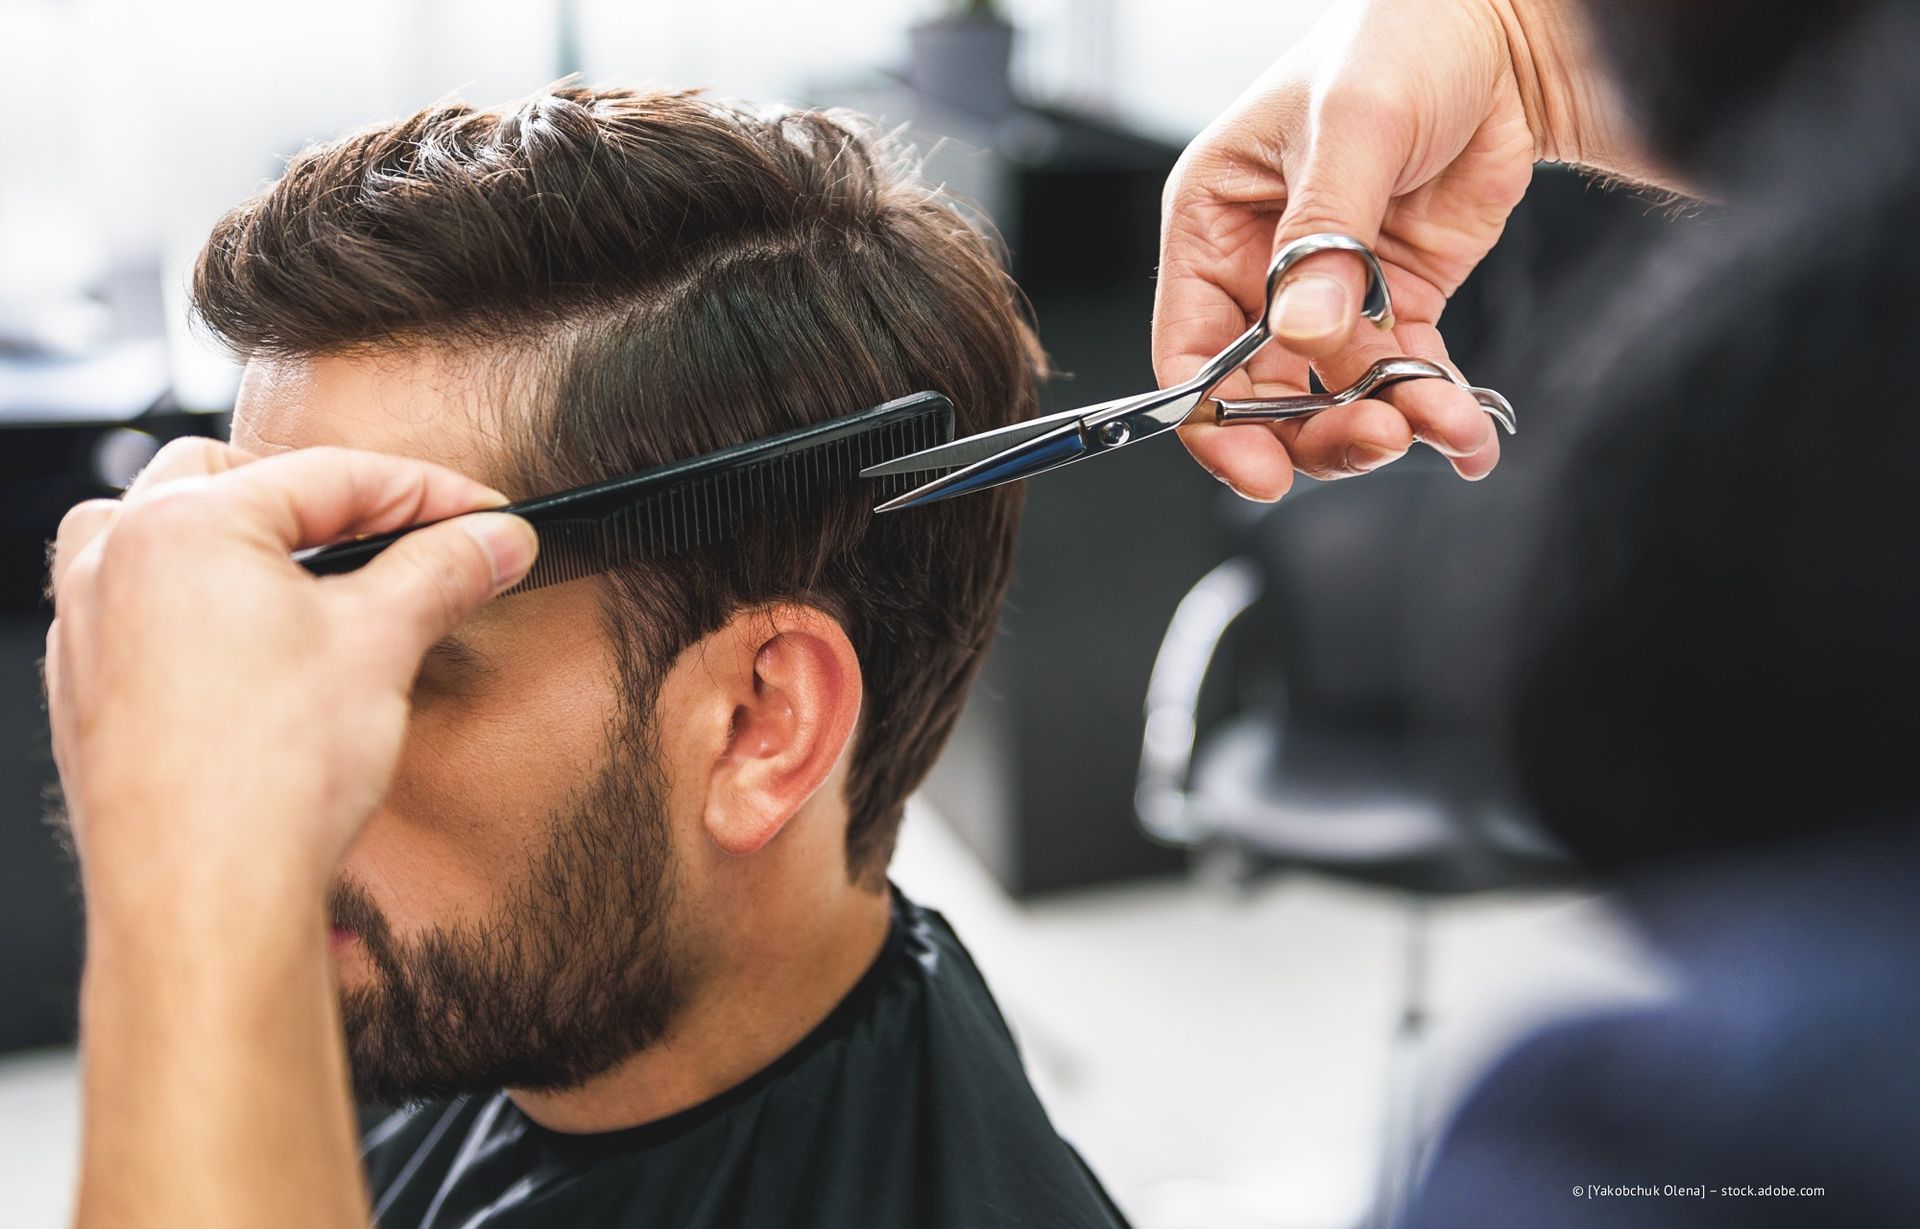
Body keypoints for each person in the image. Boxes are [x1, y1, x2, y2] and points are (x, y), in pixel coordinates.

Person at [46, 87, 1128, 1228]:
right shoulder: (454, 1002)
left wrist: (181, 909)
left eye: (401, 658)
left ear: (759, 725)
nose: (248, 760)